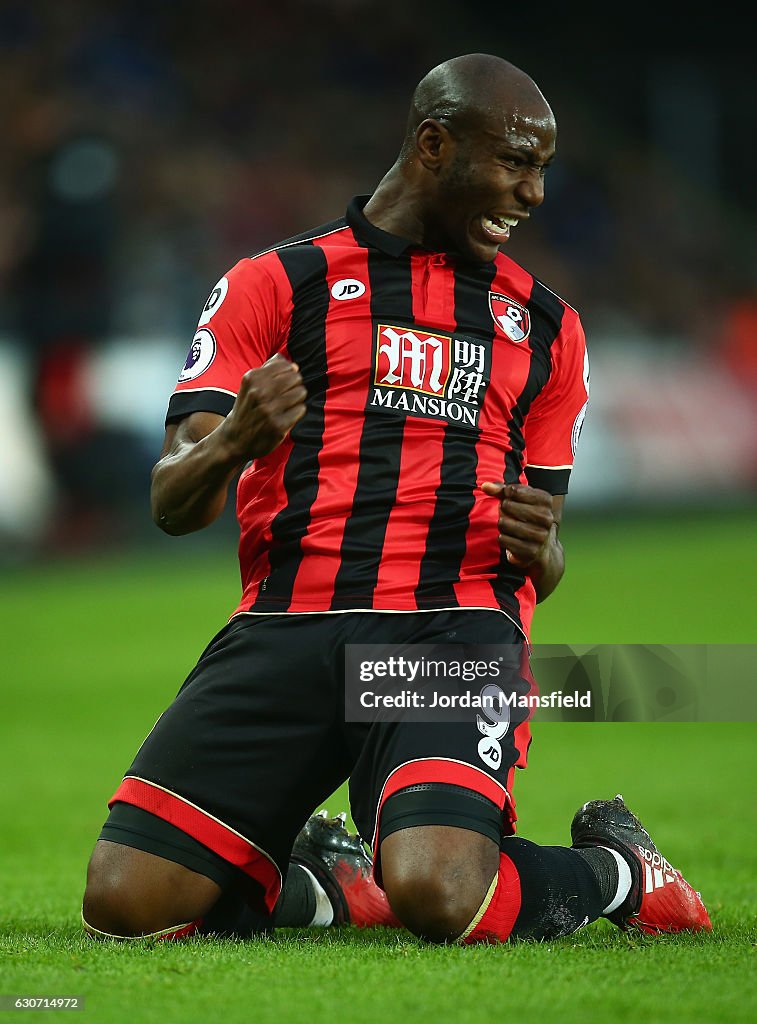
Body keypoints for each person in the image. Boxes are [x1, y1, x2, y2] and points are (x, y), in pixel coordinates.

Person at [81, 53, 711, 944]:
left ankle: (618, 874)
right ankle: (331, 886)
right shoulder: (275, 284)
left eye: (541, 169)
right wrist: (235, 440)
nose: (531, 194)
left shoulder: (545, 328)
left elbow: (547, 563)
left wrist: (542, 548)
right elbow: (172, 502)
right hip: (287, 628)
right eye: (514, 162)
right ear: (431, 144)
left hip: (445, 630)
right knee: (125, 904)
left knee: (440, 895)